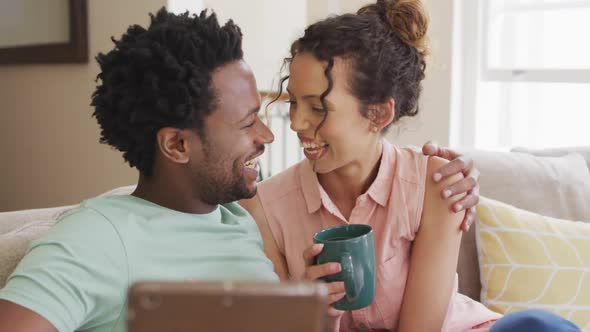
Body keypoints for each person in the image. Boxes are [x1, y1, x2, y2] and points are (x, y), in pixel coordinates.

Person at [0, 7, 480, 332]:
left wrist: (308, 312)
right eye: (250, 122)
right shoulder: (98, 236)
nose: (274, 135)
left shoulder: (244, 222)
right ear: (176, 144)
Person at [239, 1, 582, 332]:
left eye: (317, 107)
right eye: (294, 102)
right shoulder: (265, 207)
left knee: (538, 326)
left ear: (378, 114)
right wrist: (311, 314)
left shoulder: (437, 184)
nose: (296, 123)